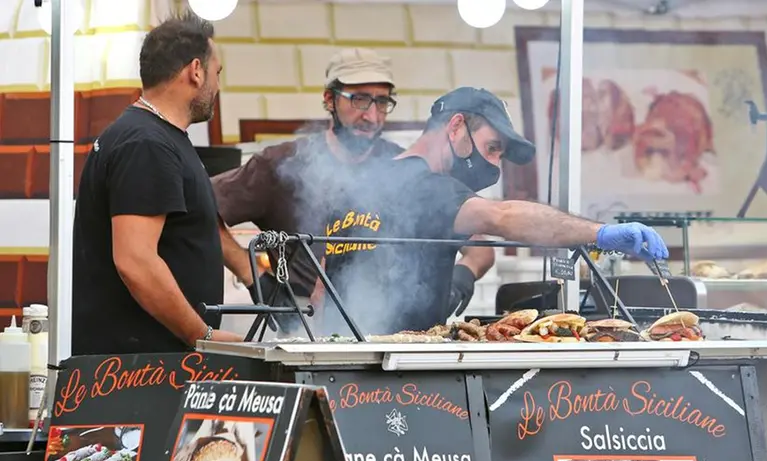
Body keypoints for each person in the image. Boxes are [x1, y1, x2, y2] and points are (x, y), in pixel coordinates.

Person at [317, 87, 669, 336]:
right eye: (492, 147)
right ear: (456, 126)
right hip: (395, 373)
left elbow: (322, 285)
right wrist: (598, 233)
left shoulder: (358, 185)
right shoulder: (427, 187)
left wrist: (456, 281)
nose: (493, 163)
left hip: (340, 360)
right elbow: (500, 218)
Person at [212, 48, 494, 337]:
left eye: (382, 102)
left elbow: (479, 251)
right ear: (329, 99)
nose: (371, 115)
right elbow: (200, 210)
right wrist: (254, 277)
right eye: (359, 99)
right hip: (304, 320)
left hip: (397, 328)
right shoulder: (281, 164)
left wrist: (461, 278)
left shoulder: (407, 168)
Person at [71, 12, 242, 355]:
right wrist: (202, 335)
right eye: (217, 73)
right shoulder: (146, 144)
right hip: (137, 375)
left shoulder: (158, 137)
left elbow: (191, 227)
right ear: (196, 71)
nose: (218, 86)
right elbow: (136, 261)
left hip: (153, 368)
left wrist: (253, 274)